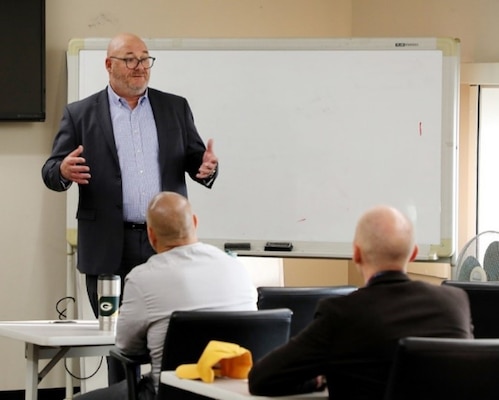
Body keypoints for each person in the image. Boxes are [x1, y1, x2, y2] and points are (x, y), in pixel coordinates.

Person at [41, 32, 219, 319]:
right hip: (108, 246)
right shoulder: (80, 114)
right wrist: (62, 170)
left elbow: (196, 159)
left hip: (165, 241)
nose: (140, 66)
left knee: (169, 331)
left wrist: (206, 168)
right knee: (113, 340)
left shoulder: (175, 107)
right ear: (109, 64)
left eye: (145, 59)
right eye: (130, 59)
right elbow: (51, 171)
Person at [248, 205, 473, 400]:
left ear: (356, 254)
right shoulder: (455, 302)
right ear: (413, 253)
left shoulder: (341, 314)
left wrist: (318, 379)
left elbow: (262, 378)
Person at [76, 191, 257, 400]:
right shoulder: (236, 267)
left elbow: (126, 346)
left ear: (151, 234)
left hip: (169, 393)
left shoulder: (142, 279)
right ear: (195, 222)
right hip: (234, 392)